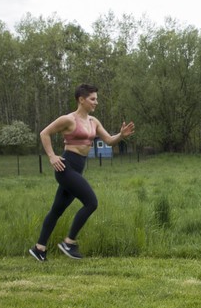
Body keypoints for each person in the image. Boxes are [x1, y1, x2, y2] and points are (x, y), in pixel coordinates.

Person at [29, 84, 135, 261]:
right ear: (81, 99)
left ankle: (39, 248)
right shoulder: (68, 119)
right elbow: (44, 133)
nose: (96, 102)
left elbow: (109, 141)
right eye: (93, 99)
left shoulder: (94, 121)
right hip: (66, 167)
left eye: (96, 99)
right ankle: (69, 242)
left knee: (57, 210)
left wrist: (121, 135)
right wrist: (52, 156)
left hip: (78, 168)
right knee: (91, 202)